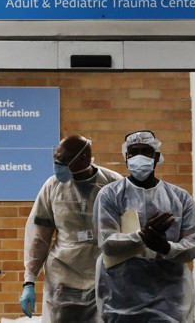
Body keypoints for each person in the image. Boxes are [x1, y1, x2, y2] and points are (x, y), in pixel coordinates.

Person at [94, 130, 195, 323]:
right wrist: (142, 236)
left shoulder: (179, 198)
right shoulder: (110, 195)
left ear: (156, 156)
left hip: (169, 296)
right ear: (126, 157)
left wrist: (166, 248)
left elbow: (194, 243)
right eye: (133, 152)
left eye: (145, 151)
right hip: (121, 294)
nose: (139, 157)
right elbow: (107, 242)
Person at [20, 135, 124, 322]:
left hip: (104, 275)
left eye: (64, 160)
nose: (58, 164)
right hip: (63, 278)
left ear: (84, 157)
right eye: (55, 159)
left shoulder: (112, 183)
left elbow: (129, 232)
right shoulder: (52, 186)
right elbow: (38, 237)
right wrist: (29, 280)